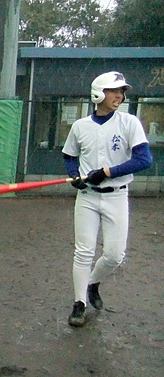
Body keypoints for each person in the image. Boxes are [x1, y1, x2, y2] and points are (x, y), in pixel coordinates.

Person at [62, 71, 153, 327]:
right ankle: (78, 303)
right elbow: (69, 156)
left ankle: (92, 283)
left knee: (114, 255)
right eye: (114, 91)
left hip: (117, 196)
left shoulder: (129, 123)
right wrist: (75, 176)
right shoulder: (80, 126)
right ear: (99, 94)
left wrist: (107, 172)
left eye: (122, 91)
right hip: (88, 197)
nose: (120, 96)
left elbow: (144, 159)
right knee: (83, 252)